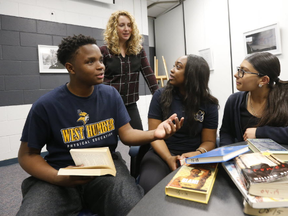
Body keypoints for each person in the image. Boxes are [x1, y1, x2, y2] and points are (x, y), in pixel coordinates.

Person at [16, 34, 184, 216]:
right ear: (70, 68)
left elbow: (127, 134)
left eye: (101, 60)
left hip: (105, 171)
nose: (101, 66)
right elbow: (27, 155)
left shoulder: (110, 95)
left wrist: (154, 134)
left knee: (135, 209)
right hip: (61, 173)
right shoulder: (46, 105)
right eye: (90, 62)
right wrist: (59, 177)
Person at [138, 54, 219, 193]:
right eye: (174, 65)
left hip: (195, 156)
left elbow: (209, 141)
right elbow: (154, 136)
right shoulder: (160, 96)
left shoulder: (209, 104)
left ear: (192, 75)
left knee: (203, 190)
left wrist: (197, 153)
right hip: (161, 154)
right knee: (149, 188)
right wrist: (169, 158)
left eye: (178, 67)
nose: (172, 70)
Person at [100, 10, 158, 131]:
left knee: (140, 143)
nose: (126, 29)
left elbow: (149, 75)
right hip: (108, 104)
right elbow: (97, 80)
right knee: (108, 142)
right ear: (114, 28)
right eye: (122, 25)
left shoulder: (138, 50)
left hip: (130, 104)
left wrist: (160, 97)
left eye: (129, 25)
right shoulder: (104, 51)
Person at [219, 52, 288, 146]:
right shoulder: (234, 101)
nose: (236, 74)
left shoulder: (285, 98)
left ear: (264, 80)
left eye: (243, 71)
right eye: (239, 69)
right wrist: (227, 153)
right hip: (245, 159)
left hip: (279, 159)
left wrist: (259, 133)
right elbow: (226, 133)